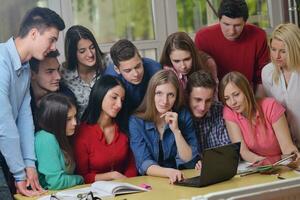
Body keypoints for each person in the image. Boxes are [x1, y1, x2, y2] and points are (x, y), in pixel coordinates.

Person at [0, 7, 65, 197]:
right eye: (52, 39)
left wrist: (29, 163)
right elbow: (4, 124)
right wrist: (20, 174)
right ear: (34, 33)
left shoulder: (25, 66)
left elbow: (24, 117)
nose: (53, 47)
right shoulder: (1, 62)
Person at [129, 70, 199, 184]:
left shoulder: (183, 115)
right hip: (150, 183)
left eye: (170, 95)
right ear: (152, 93)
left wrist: (176, 131)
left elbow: (189, 160)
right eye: (159, 93)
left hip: (180, 179)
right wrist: (169, 172)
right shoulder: (136, 121)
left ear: (176, 97)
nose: (164, 101)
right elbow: (144, 163)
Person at [219, 71, 299, 165]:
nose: (232, 102)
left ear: (248, 90)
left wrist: (292, 154)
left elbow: (286, 146)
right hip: (256, 164)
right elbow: (243, 151)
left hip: (281, 162)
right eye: (227, 98)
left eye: (236, 94)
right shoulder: (229, 111)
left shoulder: (271, 106)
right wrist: (265, 163)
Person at [194, 0, 269, 93]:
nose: (232, 31)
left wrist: (256, 105)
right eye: (226, 24)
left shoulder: (259, 36)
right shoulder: (203, 37)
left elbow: (261, 79)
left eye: (237, 25)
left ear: (245, 22)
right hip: (213, 97)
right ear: (219, 20)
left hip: (247, 97)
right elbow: (198, 78)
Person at [74, 75, 137, 184]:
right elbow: (82, 177)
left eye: (122, 100)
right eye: (114, 97)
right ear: (100, 94)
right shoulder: (82, 133)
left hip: (124, 189)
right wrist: (111, 176)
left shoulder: (124, 128)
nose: (119, 105)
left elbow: (131, 165)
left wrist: (127, 185)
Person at [104, 39, 161, 130]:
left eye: (138, 66)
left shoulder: (155, 70)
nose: (136, 74)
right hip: (122, 119)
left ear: (141, 59)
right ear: (117, 69)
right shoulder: (110, 79)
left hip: (153, 116)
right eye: (128, 70)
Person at [262, 23, 300, 150]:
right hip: (288, 146)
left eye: (283, 51)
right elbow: (273, 112)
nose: (276, 56)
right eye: (273, 49)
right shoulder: (267, 72)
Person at [35, 93, 83, 190]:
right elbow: (56, 183)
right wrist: (81, 179)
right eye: (68, 119)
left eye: (75, 117)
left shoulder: (61, 137)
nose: (75, 123)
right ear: (54, 119)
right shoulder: (46, 138)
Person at [61, 25, 111, 118]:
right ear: (73, 53)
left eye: (92, 47)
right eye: (82, 51)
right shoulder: (63, 73)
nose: (90, 54)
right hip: (81, 128)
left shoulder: (108, 62)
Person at [186, 70, 230, 153]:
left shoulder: (220, 111)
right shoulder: (181, 116)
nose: (203, 107)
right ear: (187, 96)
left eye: (208, 100)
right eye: (198, 100)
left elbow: (227, 150)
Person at [30, 50, 75, 130]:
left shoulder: (66, 96)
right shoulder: (22, 101)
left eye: (58, 69)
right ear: (32, 74)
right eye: (50, 72)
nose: (58, 77)